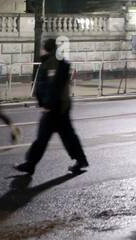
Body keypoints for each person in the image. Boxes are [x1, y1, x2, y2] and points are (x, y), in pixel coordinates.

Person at [14, 38, 88, 176]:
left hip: (55, 108)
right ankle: (81, 160)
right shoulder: (51, 62)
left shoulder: (54, 63)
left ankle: (30, 164)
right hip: (59, 107)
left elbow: (53, 86)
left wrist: (47, 104)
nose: (41, 50)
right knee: (67, 136)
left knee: (43, 138)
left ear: (47, 49)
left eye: (43, 47)